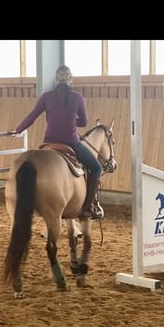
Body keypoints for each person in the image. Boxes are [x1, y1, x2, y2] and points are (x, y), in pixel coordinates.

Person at [9, 65, 104, 220]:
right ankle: (88, 207)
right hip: (71, 142)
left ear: (55, 79)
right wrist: (71, 120)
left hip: (50, 142)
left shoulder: (46, 97)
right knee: (96, 168)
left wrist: (18, 130)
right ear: (70, 79)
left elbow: (32, 116)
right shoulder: (78, 98)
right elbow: (85, 122)